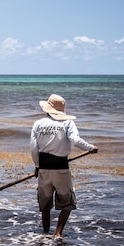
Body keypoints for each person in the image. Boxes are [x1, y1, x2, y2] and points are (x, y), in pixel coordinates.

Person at [30, 94, 98, 238]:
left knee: (45, 204)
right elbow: (75, 140)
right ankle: (58, 233)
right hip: (61, 168)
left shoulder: (38, 123)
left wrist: (37, 166)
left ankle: (45, 233)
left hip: (44, 168)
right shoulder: (67, 123)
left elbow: (34, 148)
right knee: (67, 203)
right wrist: (90, 148)